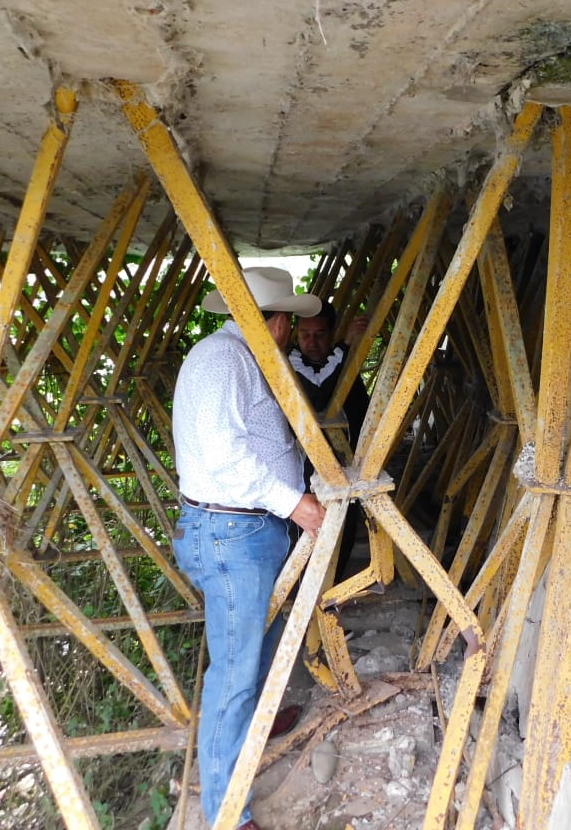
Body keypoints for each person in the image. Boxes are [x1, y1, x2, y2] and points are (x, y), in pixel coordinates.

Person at [171, 266, 326, 830]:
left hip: (241, 530)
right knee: (232, 678)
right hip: (233, 534)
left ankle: (253, 728)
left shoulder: (231, 356)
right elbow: (224, 457)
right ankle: (227, 816)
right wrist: (294, 503)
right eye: (289, 323)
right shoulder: (225, 360)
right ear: (278, 322)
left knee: (257, 644)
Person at [289, 301, 370, 581]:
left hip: (345, 464)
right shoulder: (291, 361)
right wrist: (345, 347)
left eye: (320, 334)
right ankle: (307, 588)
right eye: (305, 334)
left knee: (345, 524)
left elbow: (361, 409)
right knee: (309, 531)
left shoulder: (339, 363)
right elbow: (319, 392)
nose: (311, 342)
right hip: (305, 468)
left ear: (332, 332)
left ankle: (333, 586)